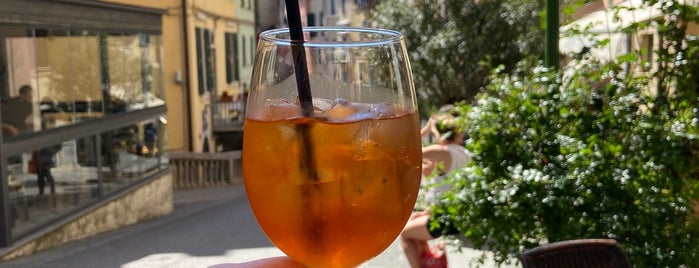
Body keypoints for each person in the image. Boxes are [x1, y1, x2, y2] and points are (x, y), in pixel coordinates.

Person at [401, 109, 471, 268]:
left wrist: (427, 129)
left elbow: (407, 149)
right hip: (451, 213)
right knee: (414, 221)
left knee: (405, 233)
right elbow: (449, 186)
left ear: (440, 134)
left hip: (442, 218)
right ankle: (431, 263)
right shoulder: (465, 154)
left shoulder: (441, 151)